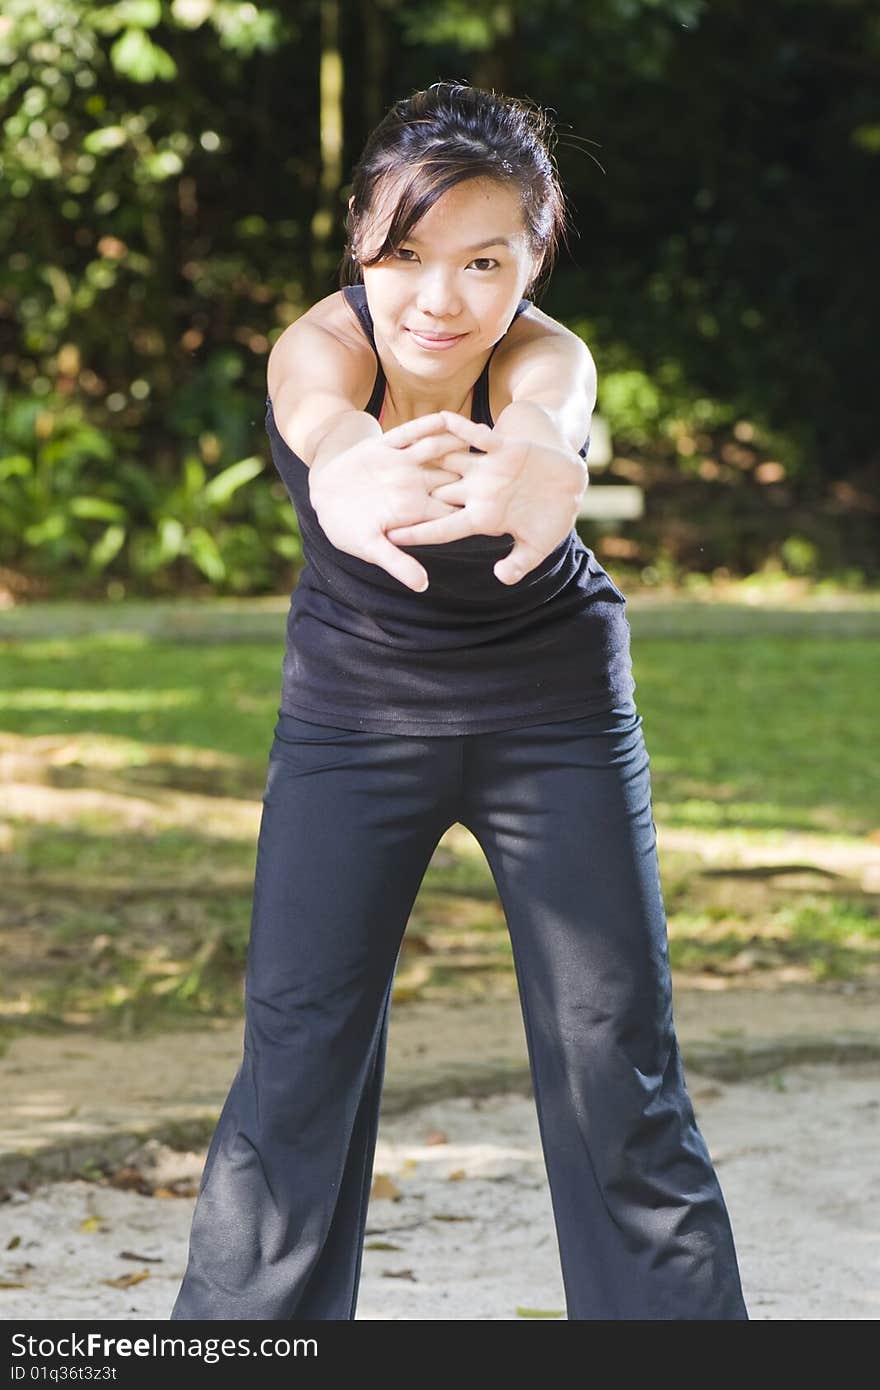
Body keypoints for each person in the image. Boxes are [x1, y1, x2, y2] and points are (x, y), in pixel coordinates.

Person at [170, 81, 748, 1321]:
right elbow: (316, 412)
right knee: (297, 1064)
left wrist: (545, 457)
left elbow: (550, 406)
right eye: (406, 254)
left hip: (555, 713)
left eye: (486, 261)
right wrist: (344, 463)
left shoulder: (546, 351)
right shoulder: (320, 341)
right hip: (352, 714)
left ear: (535, 256)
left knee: (616, 1068)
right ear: (358, 240)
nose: (440, 299)